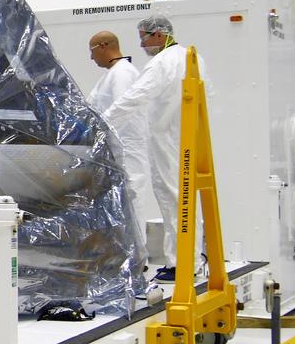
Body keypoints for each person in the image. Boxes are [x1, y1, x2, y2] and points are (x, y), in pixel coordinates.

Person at [104, 15, 208, 282]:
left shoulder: (162, 62)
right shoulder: (192, 57)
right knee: (185, 201)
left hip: (167, 139)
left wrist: (102, 123)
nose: (141, 44)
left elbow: (136, 96)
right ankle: (191, 260)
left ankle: (181, 265)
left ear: (159, 35)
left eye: (144, 37)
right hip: (188, 136)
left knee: (173, 199)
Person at [87, 31, 150, 216]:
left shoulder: (123, 73)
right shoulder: (112, 74)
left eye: (92, 51)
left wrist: (98, 129)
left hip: (126, 150)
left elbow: (122, 109)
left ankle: (138, 245)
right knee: (123, 203)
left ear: (104, 46)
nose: (91, 57)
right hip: (117, 150)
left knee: (132, 200)